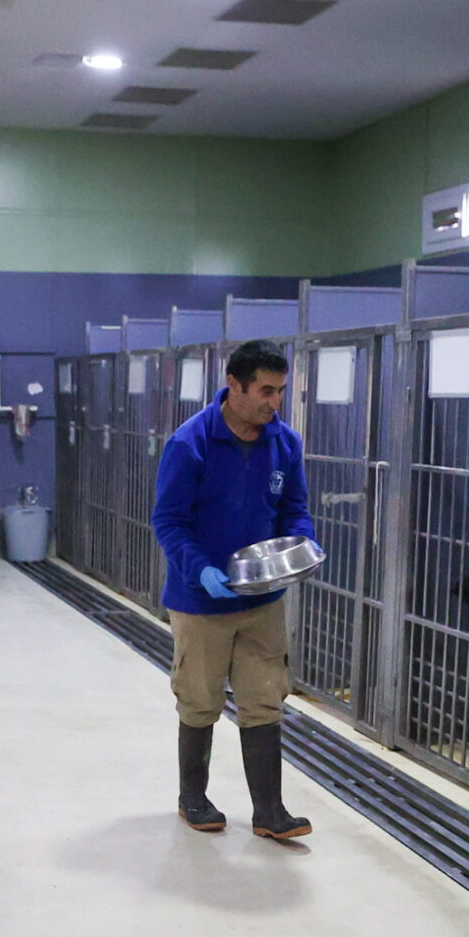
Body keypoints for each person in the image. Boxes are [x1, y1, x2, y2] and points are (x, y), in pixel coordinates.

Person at [151, 340, 319, 842]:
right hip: (201, 600)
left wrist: (301, 540)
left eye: (281, 391)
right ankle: (193, 797)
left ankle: (269, 810)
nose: (275, 401)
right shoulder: (191, 444)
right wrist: (200, 571)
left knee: (265, 698)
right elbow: (169, 520)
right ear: (234, 386)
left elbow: (295, 508)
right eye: (266, 390)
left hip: (262, 599)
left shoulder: (284, 443)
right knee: (200, 698)